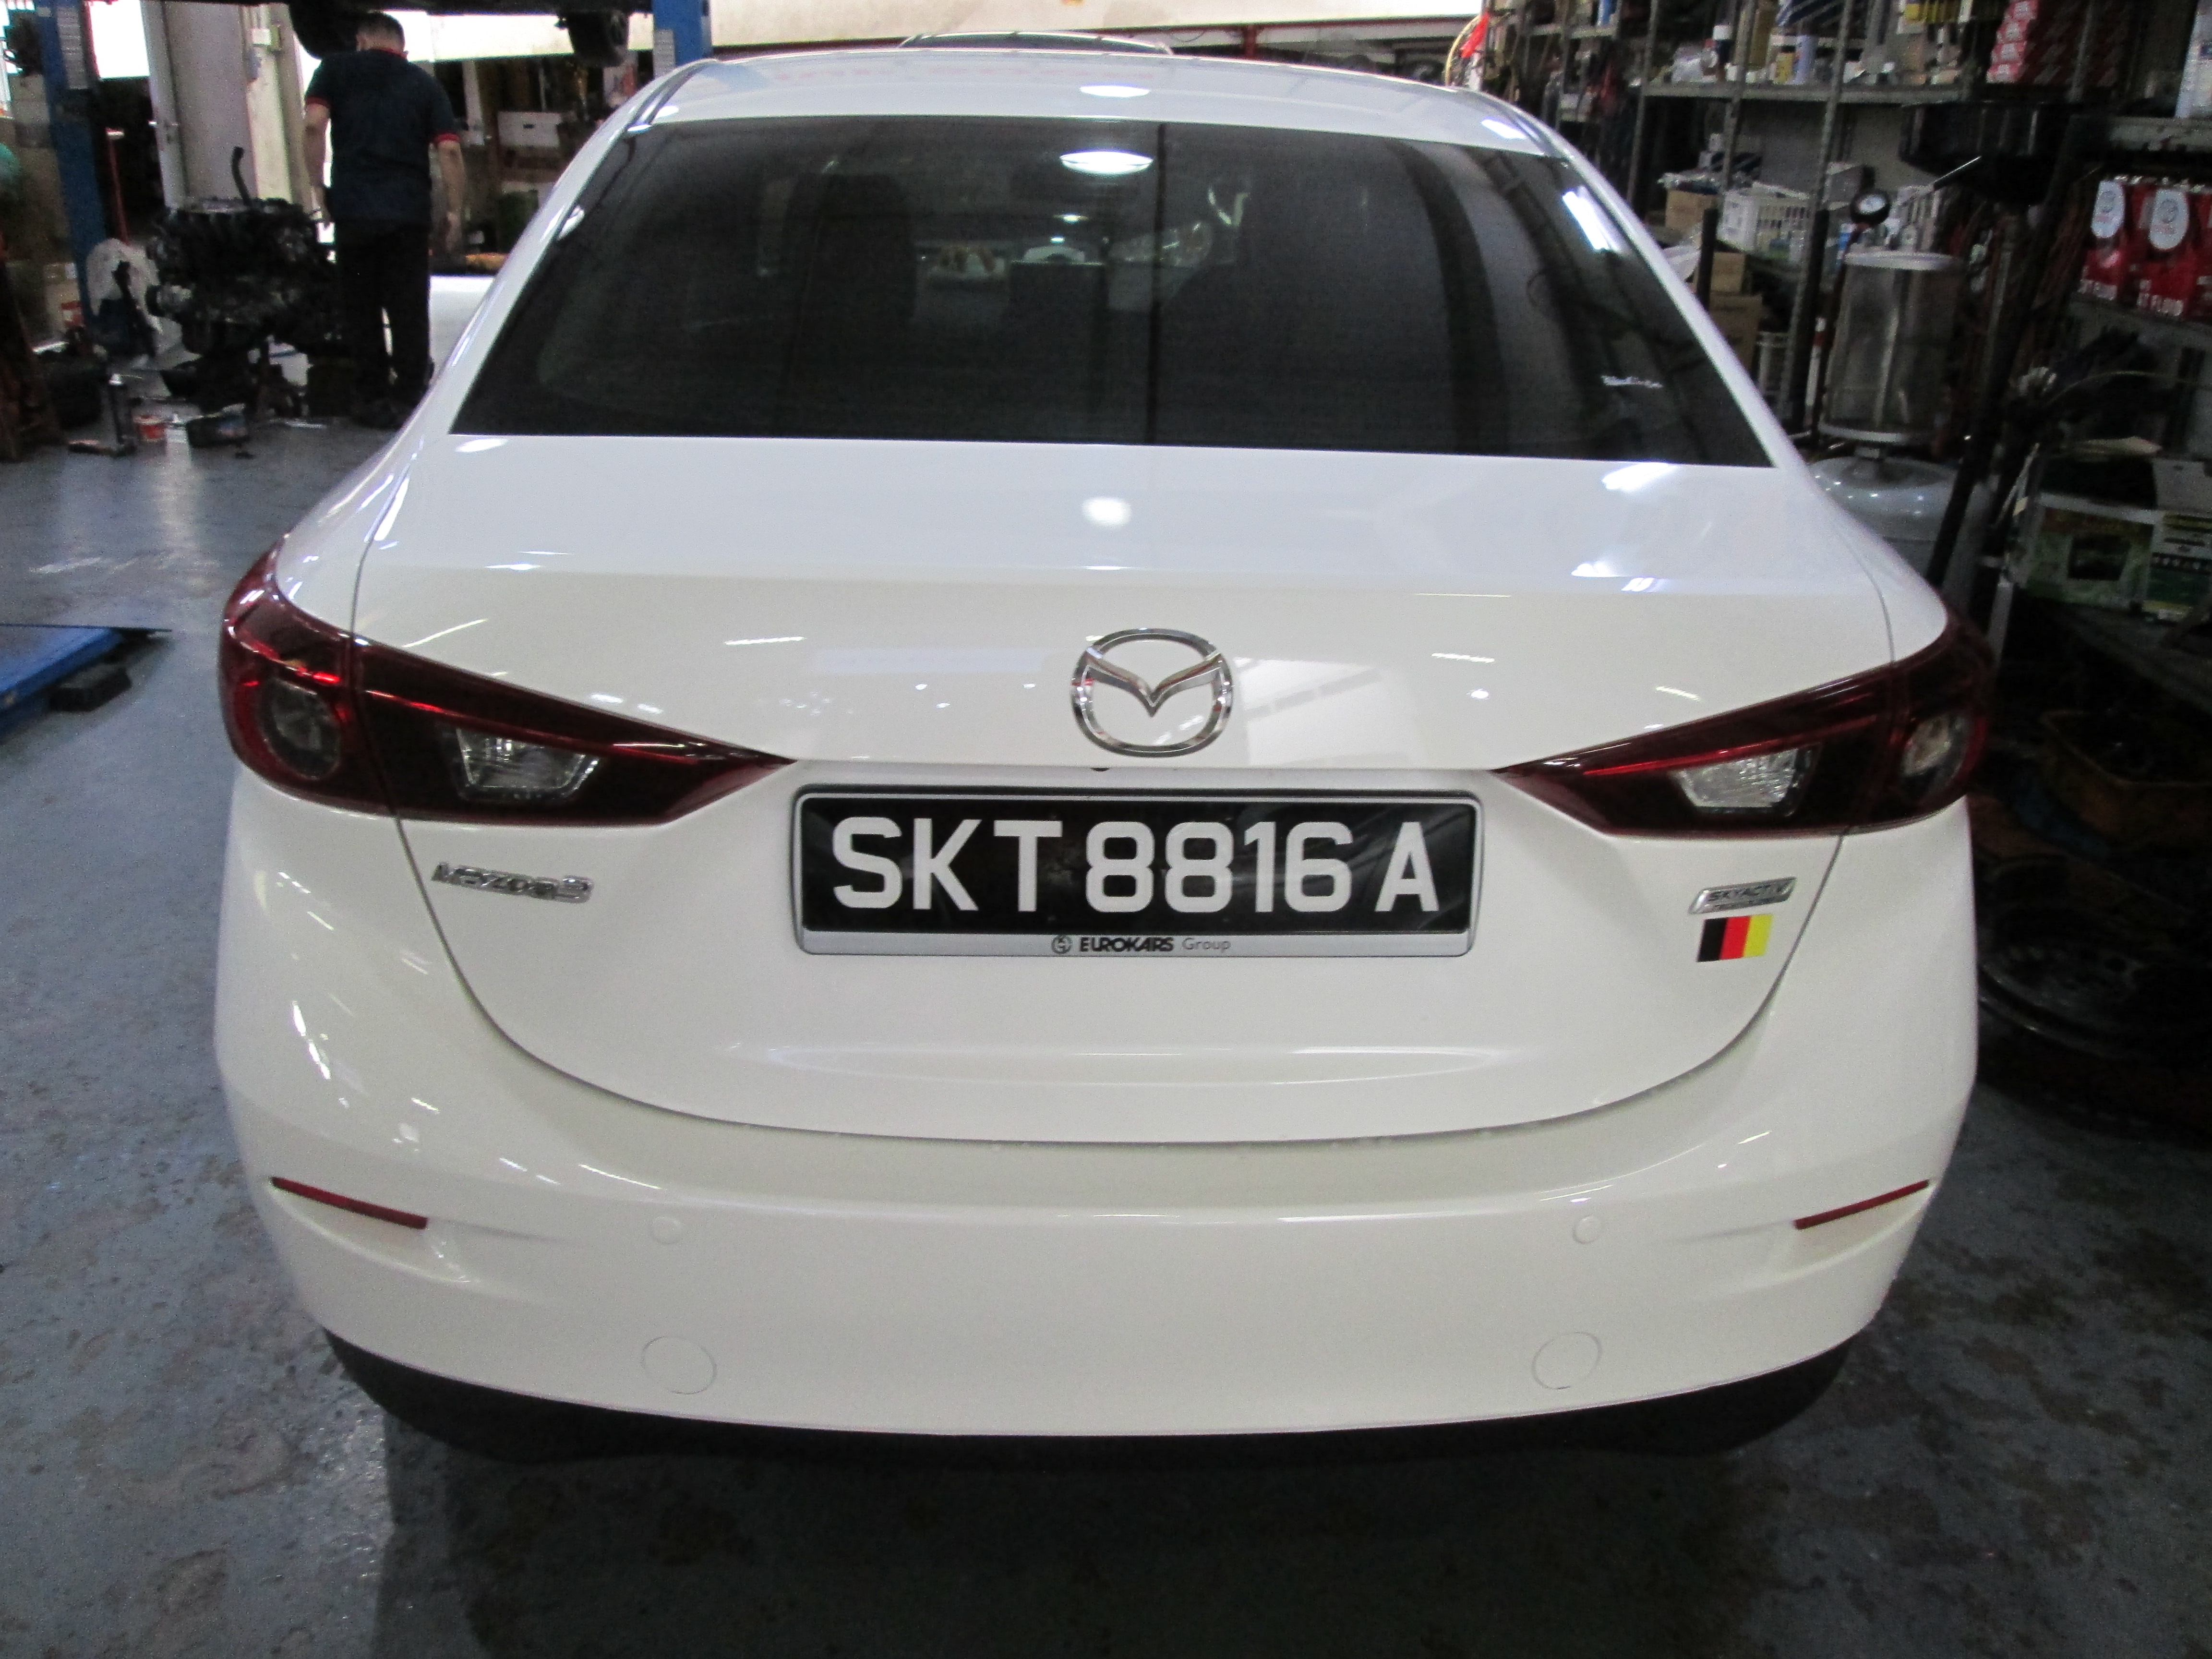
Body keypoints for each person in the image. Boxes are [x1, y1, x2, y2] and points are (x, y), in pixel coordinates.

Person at [301, 14, 466, 428]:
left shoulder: (334, 70)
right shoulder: (423, 84)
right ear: (402, 48)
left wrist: (317, 186)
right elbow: (449, 151)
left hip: (354, 212)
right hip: (407, 216)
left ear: (360, 41)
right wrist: (454, 211)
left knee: (361, 307)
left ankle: (371, 394)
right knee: (409, 307)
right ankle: (410, 394)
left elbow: (313, 125)